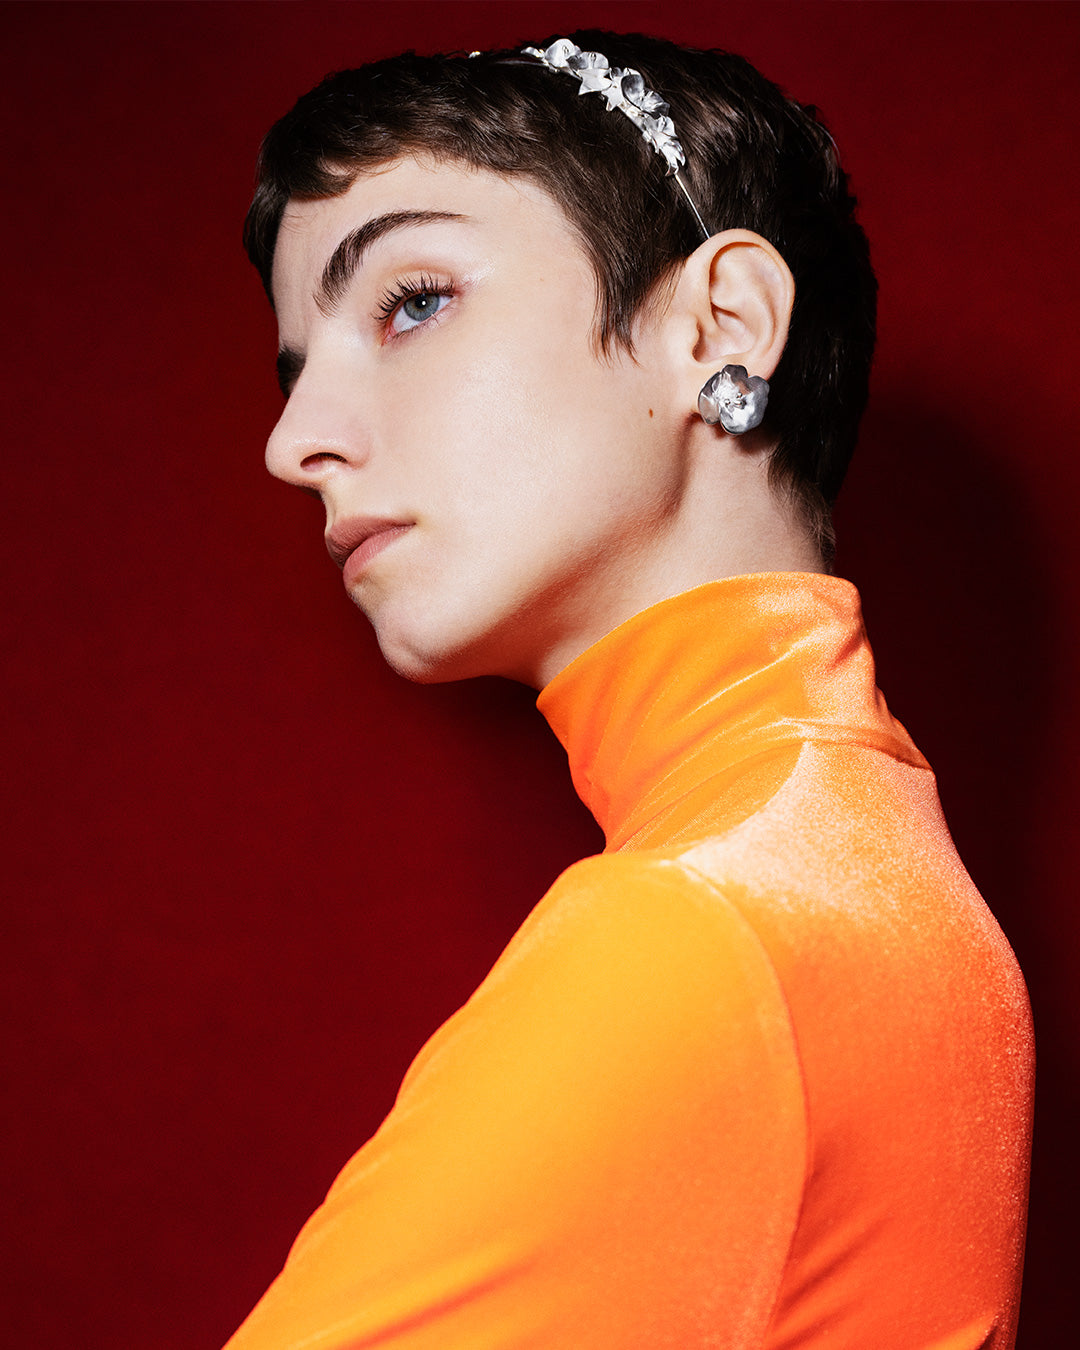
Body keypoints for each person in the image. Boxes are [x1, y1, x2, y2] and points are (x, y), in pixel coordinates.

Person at [227, 30, 1033, 1349]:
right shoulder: (860, 870)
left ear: (721, 325)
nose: (294, 441)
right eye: (298, 367)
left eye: (411, 302)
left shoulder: (697, 932)